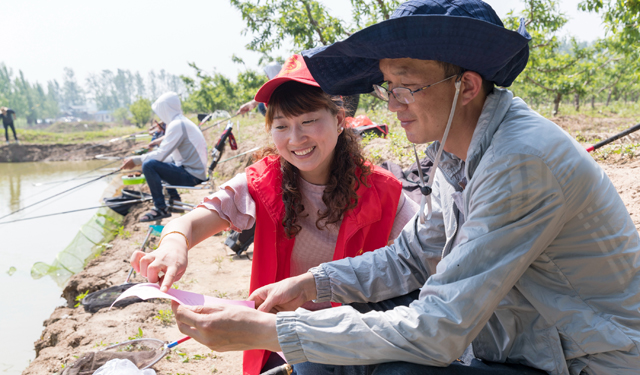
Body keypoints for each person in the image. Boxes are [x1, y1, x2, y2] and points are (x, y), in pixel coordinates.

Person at [157, 1, 640, 374]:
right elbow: (410, 257)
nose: (394, 104)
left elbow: (438, 329)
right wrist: (311, 283)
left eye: (407, 87)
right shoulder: (459, 151)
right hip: (520, 337)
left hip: (581, 359)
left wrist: (272, 330)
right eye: (388, 88)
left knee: (391, 365)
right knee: (340, 333)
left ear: (467, 87)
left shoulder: (519, 162)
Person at [130, 54, 418, 375]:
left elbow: (431, 254)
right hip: (275, 339)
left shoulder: (383, 192)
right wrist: (173, 244)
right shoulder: (263, 181)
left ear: (339, 120)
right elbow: (193, 220)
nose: (296, 138)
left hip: (352, 343)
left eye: (309, 121)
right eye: (282, 126)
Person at [122, 92, 207, 222]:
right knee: (156, 163)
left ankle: (160, 208)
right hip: (194, 172)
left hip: (192, 176)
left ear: (165, 109)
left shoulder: (177, 124)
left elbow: (161, 154)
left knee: (149, 165)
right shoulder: (181, 121)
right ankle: (175, 199)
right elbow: (166, 156)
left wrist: (136, 160)